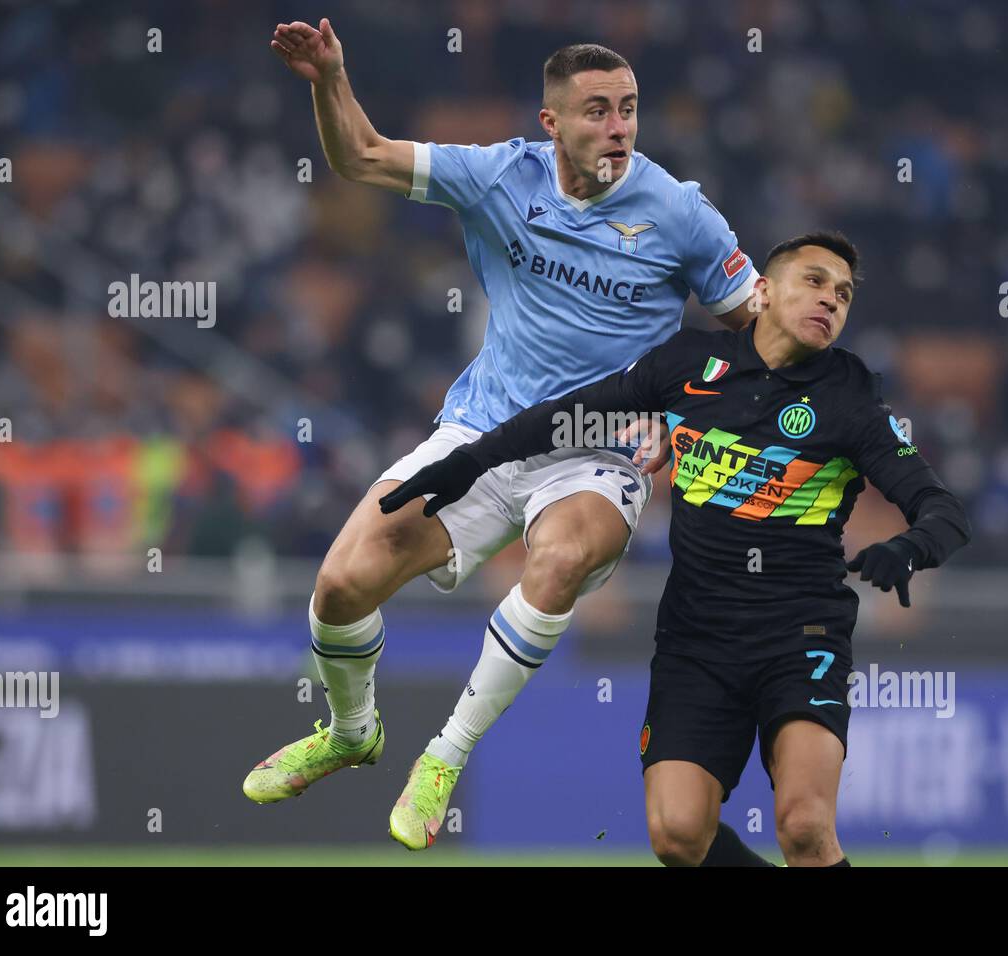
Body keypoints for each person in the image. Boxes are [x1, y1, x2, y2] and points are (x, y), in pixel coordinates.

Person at [246, 19, 761, 851]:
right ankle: (351, 733)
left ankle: (445, 756)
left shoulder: (680, 212)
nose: (619, 126)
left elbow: (759, 332)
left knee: (557, 560)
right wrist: (328, 80)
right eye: (597, 110)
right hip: (484, 432)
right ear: (551, 123)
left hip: (598, 451)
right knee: (341, 588)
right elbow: (363, 156)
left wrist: (688, 413)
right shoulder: (496, 176)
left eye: (629, 108)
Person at [379, 232, 972, 865]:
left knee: (802, 827)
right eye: (816, 282)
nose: (832, 300)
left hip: (801, 635)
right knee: (678, 836)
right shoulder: (688, 365)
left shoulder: (850, 400)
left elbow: (942, 509)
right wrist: (468, 461)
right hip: (697, 640)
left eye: (845, 294)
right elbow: (569, 414)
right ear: (764, 291)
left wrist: (910, 548)